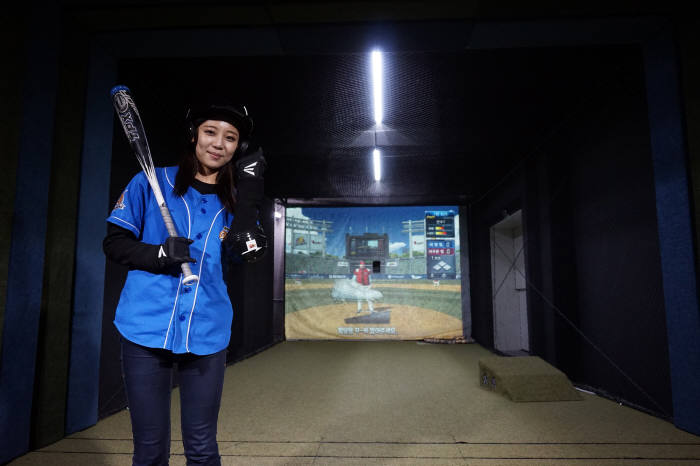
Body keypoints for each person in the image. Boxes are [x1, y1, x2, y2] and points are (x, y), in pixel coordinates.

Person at [103, 101, 266, 466]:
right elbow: (114, 244)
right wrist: (159, 255)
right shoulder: (151, 181)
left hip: (207, 325)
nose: (218, 144)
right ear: (195, 135)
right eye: (211, 132)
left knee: (203, 447)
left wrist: (249, 243)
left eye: (230, 138)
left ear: (236, 148)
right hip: (145, 326)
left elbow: (238, 258)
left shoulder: (238, 201)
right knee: (149, 449)